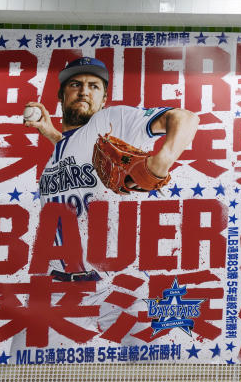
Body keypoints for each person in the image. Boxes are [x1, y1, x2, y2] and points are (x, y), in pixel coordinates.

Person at [25, 56, 199, 281]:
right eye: (75, 84)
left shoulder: (111, 119)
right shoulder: (62, 148)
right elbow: (77, 154)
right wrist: (52, 134)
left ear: (104, 98)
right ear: (61, 94)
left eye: (94, 86)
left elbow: (185, 118)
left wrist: (163, 159)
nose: (84, 91)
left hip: (111, 285)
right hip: (60, 283)